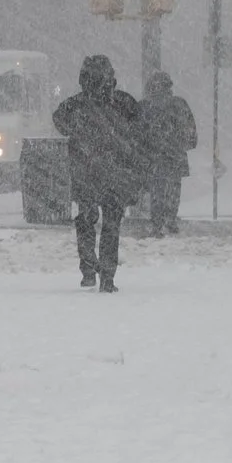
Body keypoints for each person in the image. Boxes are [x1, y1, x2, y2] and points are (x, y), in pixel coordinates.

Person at [54, 55, 142, 292]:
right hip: (115, 174)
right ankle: (107, 276)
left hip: (85, 171)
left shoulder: (73, 106)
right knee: (112, 225)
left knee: (85, 220)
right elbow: (139, 131)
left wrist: (83, 137)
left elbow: (60, 123)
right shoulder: (124, 103)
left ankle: (88, 268)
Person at [139, 71, 198, 235]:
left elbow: (137, 132)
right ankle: (170, 219)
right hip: (175, 154)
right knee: (173, 188)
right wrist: (186, 143)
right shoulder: (179, 104)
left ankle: (157, 221)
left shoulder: (145, 106)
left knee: (157, 188)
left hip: (154, 156)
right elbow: (190, 129)